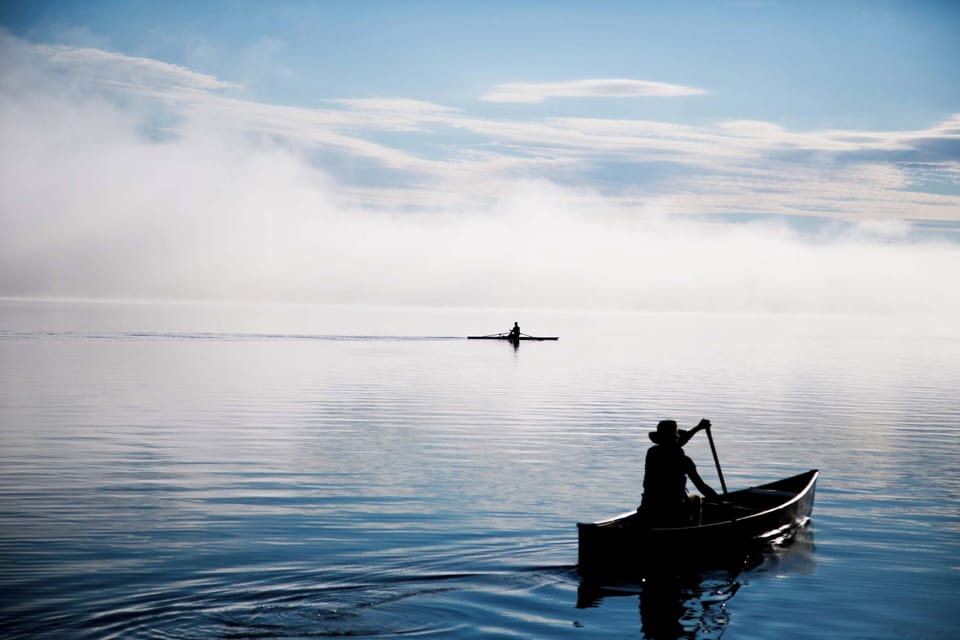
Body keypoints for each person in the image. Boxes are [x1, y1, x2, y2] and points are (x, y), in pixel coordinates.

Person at [640, 418, 718, 527]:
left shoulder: (652, 453)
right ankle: (695, 528)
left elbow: (673, 446)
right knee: (696, 499)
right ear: (675, 439)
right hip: (675, 510)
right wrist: (721, 501)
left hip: (648, 507)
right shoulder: (684, 460)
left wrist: (697, 428)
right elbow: (702, 487)